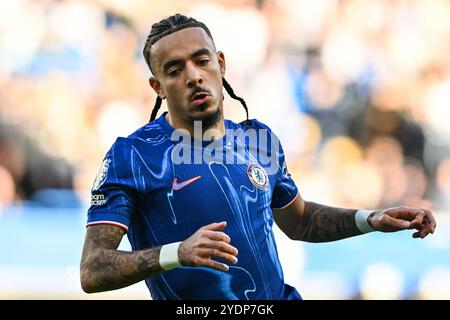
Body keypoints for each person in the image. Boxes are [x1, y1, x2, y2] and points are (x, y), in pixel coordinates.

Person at [80, 14, 436, 300]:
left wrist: (371, 219)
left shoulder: (258, 138)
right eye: (174, 71)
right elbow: (92, 270)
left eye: (201, 61)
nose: (193, 77)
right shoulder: (133, 154)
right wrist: (176, 253)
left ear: (220, 63)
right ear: (156, 86)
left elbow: (301, 222)